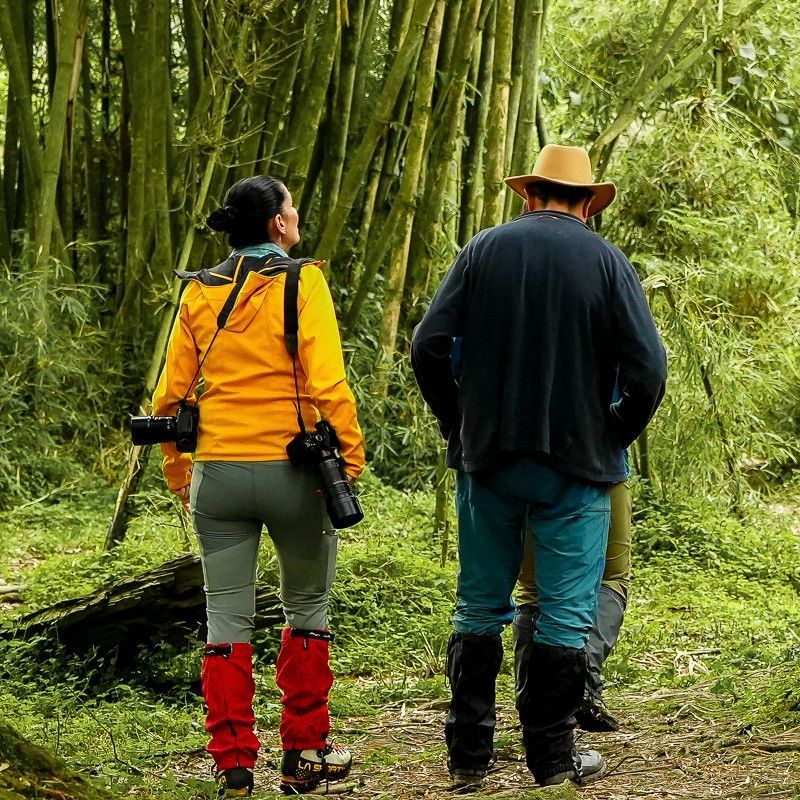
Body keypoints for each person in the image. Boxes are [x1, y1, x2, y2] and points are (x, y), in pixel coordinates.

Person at [411, 144, 666, 789]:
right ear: (587, 204)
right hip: (575, 467)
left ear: (530, 195)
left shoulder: (484, 250)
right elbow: (649, 373)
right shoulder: (608, 263)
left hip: (489, 457)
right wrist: (611, 434)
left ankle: (467, 757)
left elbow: (428, 347)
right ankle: (550, 760)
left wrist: (457, 422)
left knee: (478, 606)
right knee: (565, 614)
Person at [152, 176, 365, 797]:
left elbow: (171, 397)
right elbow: (328, 384)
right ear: (277, 224)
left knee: (226, 621)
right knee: (308, 609)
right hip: (294, 474)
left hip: (217, 474)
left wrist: (179, 470)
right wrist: (348, 462)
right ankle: (304, 754)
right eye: (291, 205)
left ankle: (234, 765)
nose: (296, 214)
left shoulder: (197, 294)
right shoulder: (302, 282)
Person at [513, 480, 632, 732]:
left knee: (533, 588)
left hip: (521, 466)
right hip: (601, 463)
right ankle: (582, 674)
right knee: (611, 576)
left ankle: (534, 714)